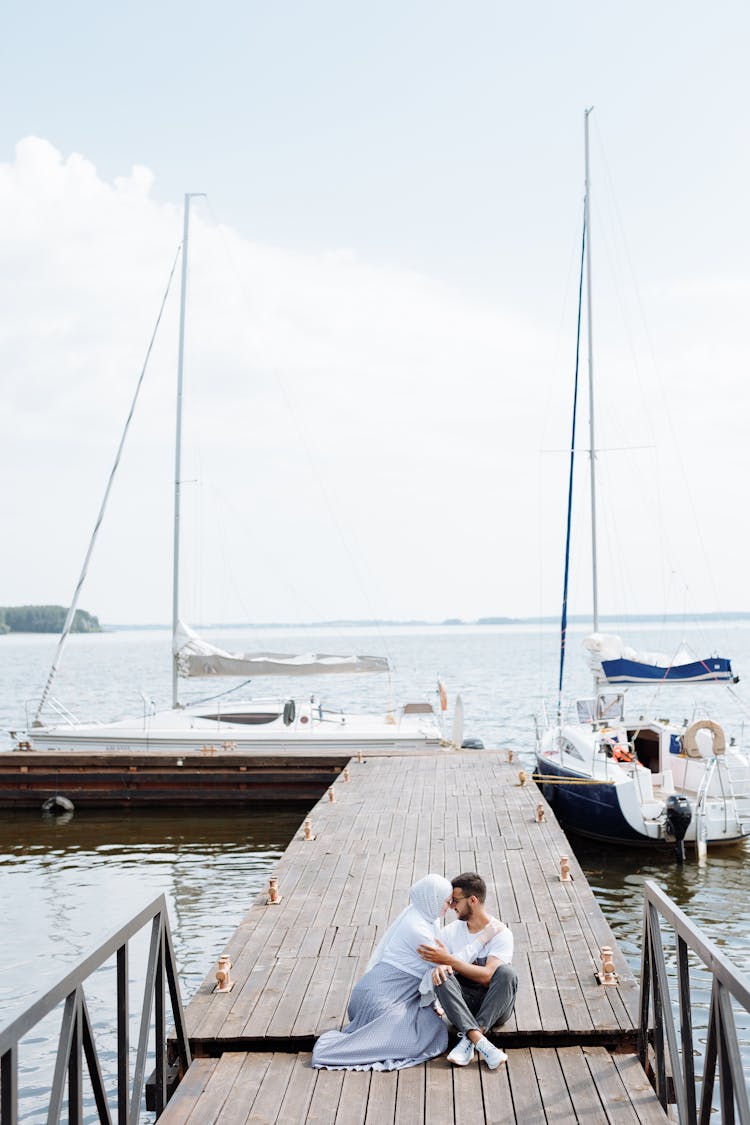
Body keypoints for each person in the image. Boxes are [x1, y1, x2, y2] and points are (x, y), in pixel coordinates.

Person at [311, 873, 452, 1071]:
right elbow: (446, 963)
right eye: (447, 901)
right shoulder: (417, 927)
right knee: (418, 1038)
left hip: (391, 994)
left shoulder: (424, 916)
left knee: (430, 1025)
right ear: (434, 898)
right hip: (379, 999)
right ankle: (331, 1050)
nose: (449, 906)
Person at [417, 871, 517, 1070]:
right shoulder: (450, 932)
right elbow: (434, 967)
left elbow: (489, 976)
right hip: (462, 1005)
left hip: (495, 1007)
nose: (452, 906)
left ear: (472, 900)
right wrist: (442, 965)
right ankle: (481, 1042)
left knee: (507, 973)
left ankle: (470, 1039)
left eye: (455, 901)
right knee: (441, 975)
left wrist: (448, 960)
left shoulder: (501, 933)